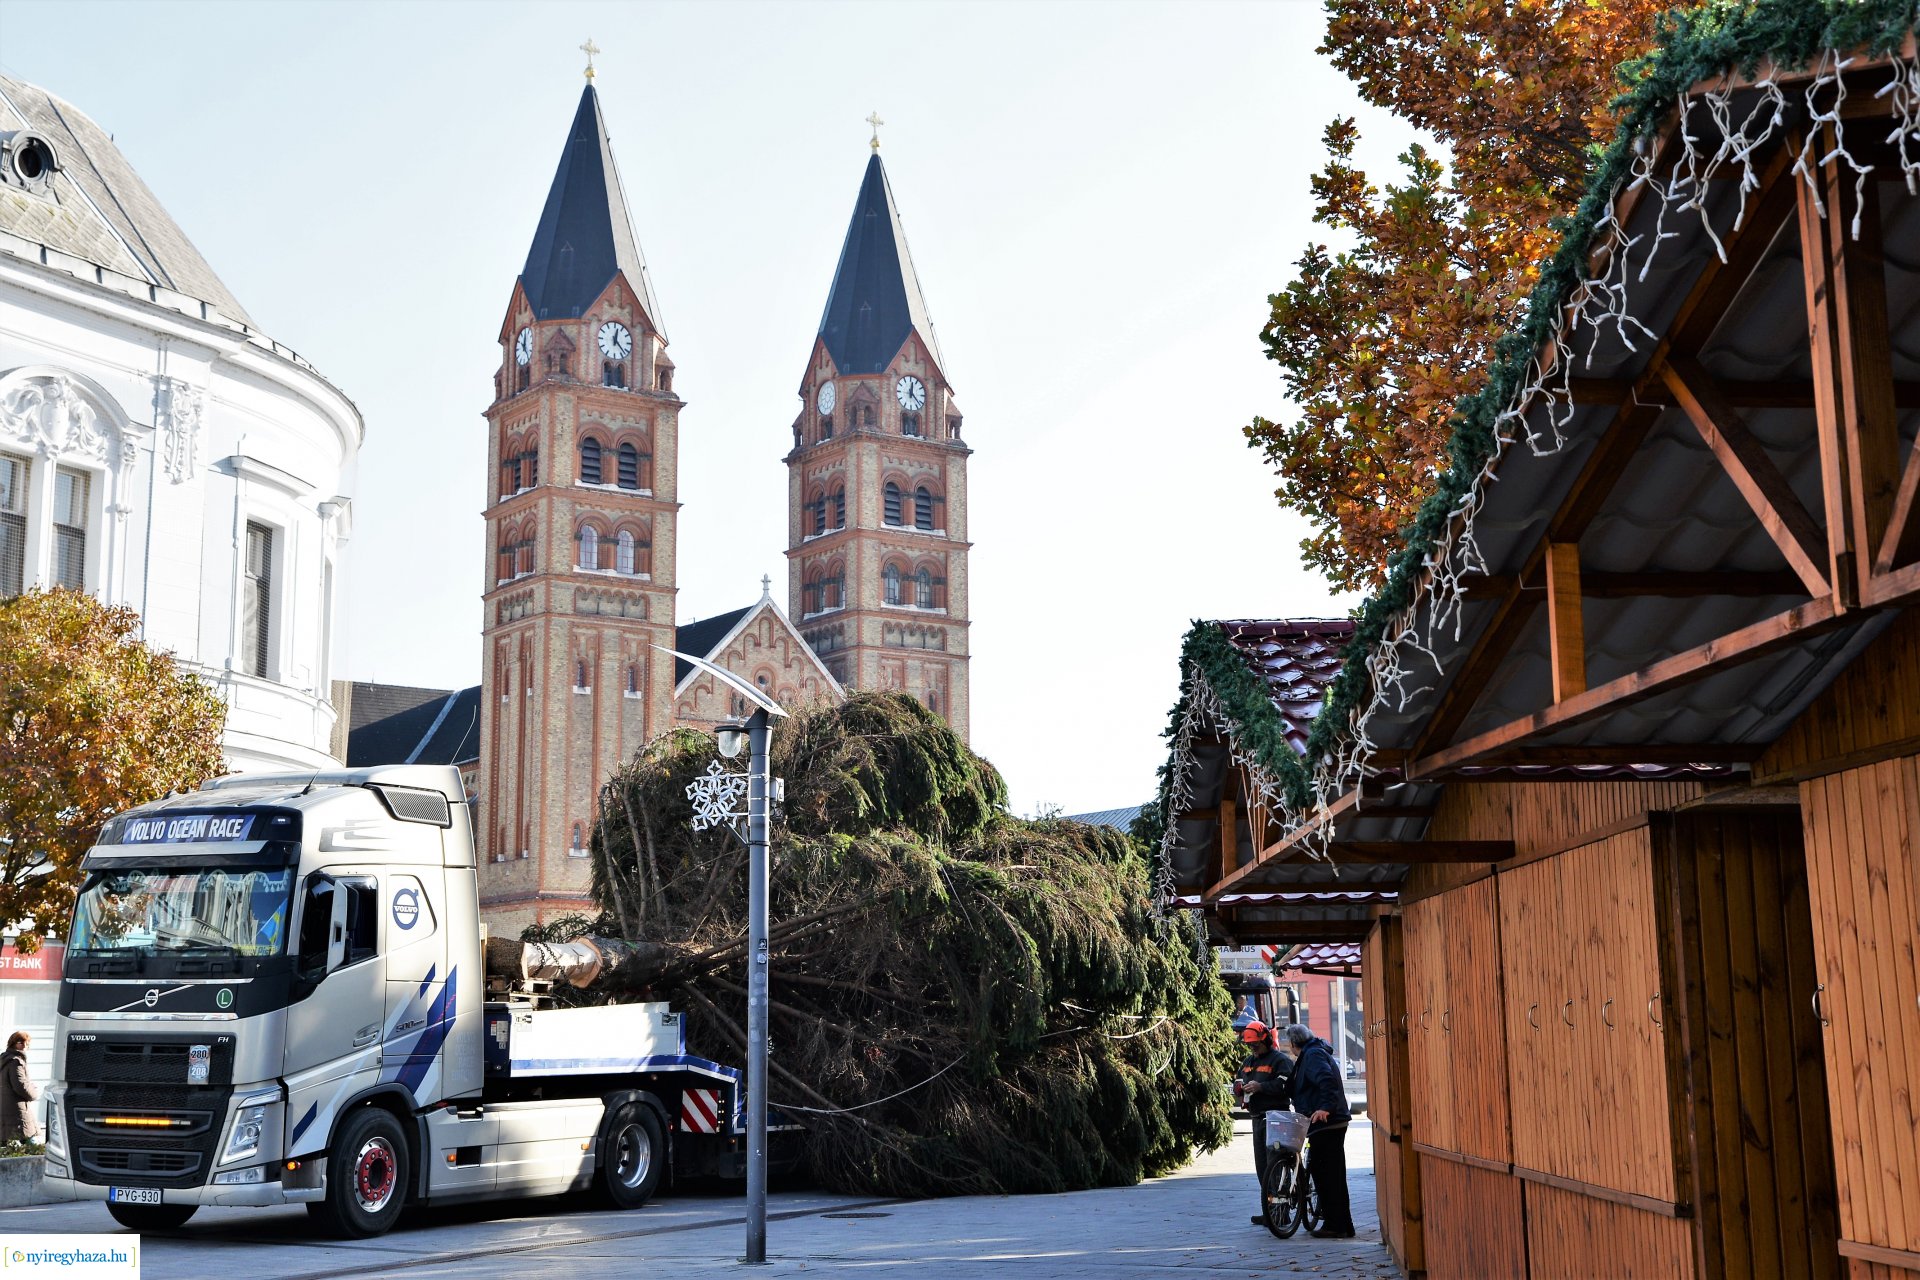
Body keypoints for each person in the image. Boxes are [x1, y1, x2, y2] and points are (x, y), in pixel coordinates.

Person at [1284, 1022, 1354, 1237]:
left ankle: (1337, 1226)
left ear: (1295, 1043)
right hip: (1325, 1122)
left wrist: (1325, 1108)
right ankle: (1338, 1224)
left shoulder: (1313, 1055)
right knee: (1328, 1173)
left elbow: (1327, 1080)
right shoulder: (1314, 1052)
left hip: (1327, 1122)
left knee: (1328, 1175)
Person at [1234, 1019, 1293, 1225]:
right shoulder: (1249, 1062)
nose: (1252, 1049)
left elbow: (1286, 1085)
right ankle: (1270, 1211)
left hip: (1276, 1118)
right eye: (1249, 1046)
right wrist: (1240, 1092)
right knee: (1262, 1167)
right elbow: (1239, 1081)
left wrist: (1261, 1088)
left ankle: (1281, 1213)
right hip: (1258, 1118)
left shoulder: (1279, 1061)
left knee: (1275, 1165)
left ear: (1266, 1040)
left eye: (1255, 1045)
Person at [2, 1032, 38, 1145]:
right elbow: (20, 1085)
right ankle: (36, 1162)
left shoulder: (4, 1058)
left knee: (4, 1139)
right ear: (13, 1043)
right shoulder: (15, 1061)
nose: (25, 1046)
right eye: (21, 1042)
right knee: (29, 1140)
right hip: (17, 1108)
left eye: (26, 1043)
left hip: (5, 1106)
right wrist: (34, 1093)